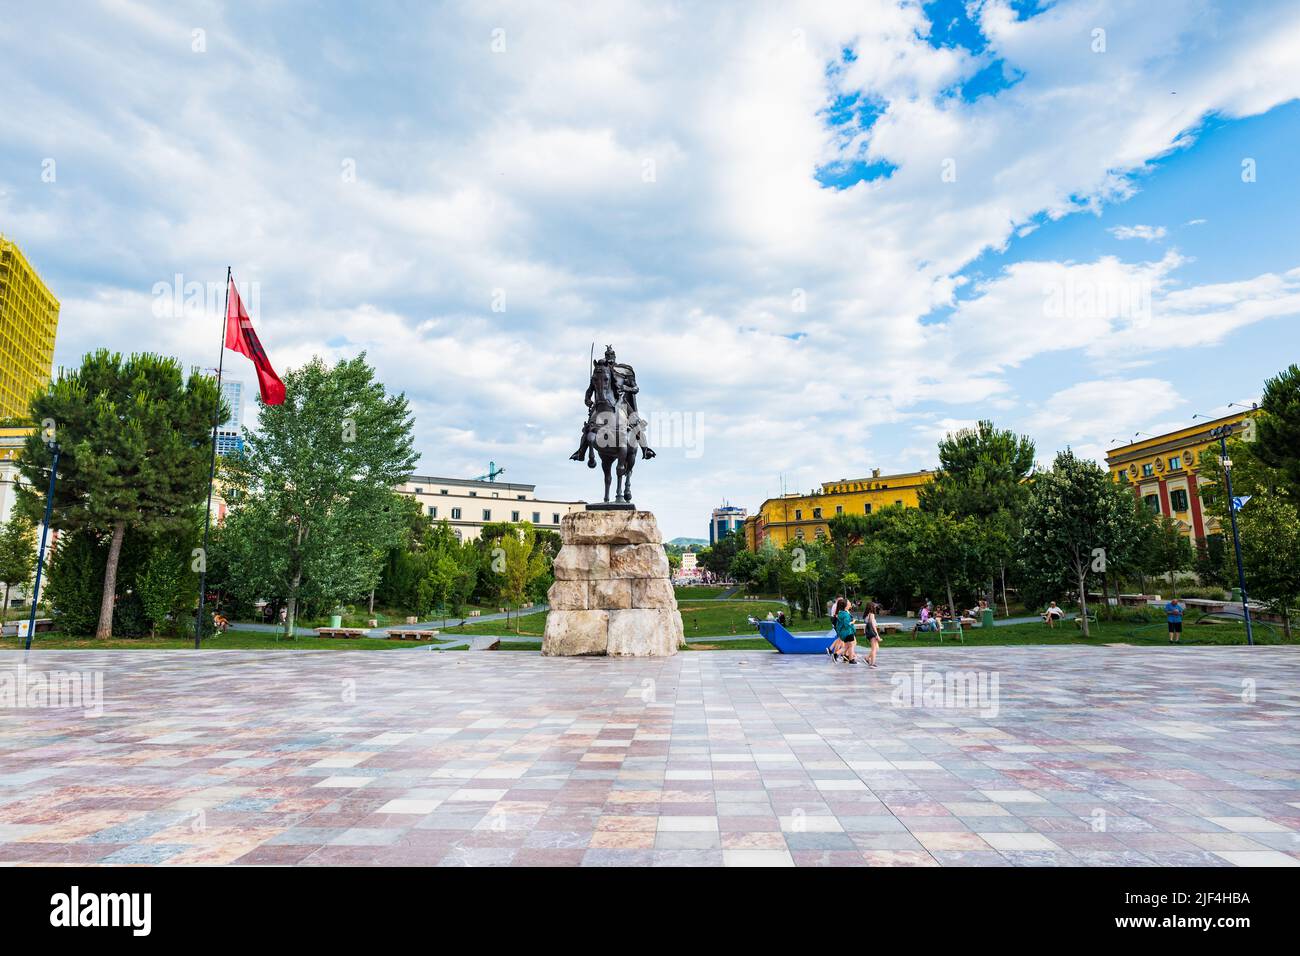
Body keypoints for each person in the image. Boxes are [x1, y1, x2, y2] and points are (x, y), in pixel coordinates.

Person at [827, 597, 857, 662]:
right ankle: (851, 659)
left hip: (844, 633)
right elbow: (846, 624)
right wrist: (853, 622)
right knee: (851, 645)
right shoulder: (846, 614)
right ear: (846, 605)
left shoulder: (841, 613)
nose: (850, 603)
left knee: (846, 646)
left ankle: (835, 655)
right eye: (849, 602)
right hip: (848, 632)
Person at [863, 601, 881, 668]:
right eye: (874, 606)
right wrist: (877, 635)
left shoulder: (866, 614)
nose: (875, 607)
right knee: (874, 649)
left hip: (868, 632)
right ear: (872, 607)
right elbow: (873, 625)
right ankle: (872, 663)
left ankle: (867, 658)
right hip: (872, 632)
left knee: (876, 648)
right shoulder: (871, 614)